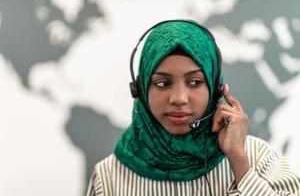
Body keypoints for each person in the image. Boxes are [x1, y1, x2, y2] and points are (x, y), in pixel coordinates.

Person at [86, 20, 300, 196]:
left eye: (195, 82)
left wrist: (239, 163)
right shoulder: (108, 177)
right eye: (162, 83)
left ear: (216, 88)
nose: (178, 99)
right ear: (140, 90)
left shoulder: (257, 158)